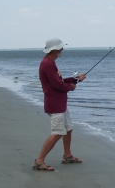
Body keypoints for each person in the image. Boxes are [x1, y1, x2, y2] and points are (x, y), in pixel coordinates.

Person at [33, 38, 86, 171]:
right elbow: (57, 85)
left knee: (68, 128)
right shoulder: (47, 64)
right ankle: (39, 161)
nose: (62, 50)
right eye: (60, 48)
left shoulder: (50, 63)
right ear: (54, 50)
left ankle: (67, 156)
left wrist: (75, 79)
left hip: (60, 102)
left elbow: (59, 80)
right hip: (54, 103)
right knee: (57, 133)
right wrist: (71, 87)